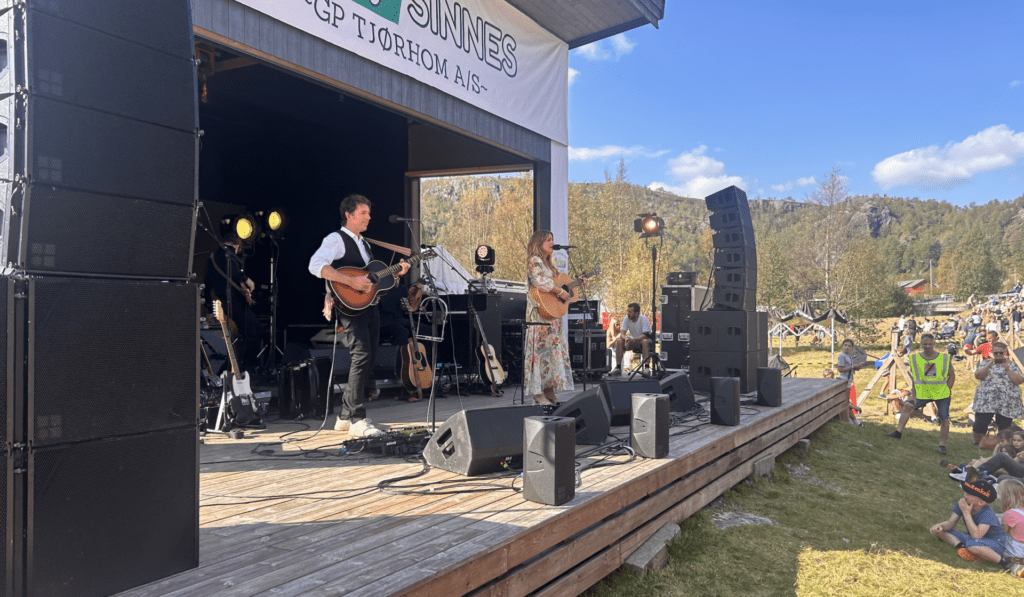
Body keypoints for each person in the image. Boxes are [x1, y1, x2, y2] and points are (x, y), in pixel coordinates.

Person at [308, 194, 409, 436]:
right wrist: (350, 281)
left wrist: (398, 275)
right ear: (349, 215)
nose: (369, 217)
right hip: (350, 307)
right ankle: (356, 418)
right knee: (361, 355)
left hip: (368, 306)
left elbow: (374, 283)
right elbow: (315, 265)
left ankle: (344, 416)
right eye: (363, 213)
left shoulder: (365, 244)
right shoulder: (336, 239)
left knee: (369, 357)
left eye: (368, 213)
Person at [523, 230, 574, 405]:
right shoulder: (534, 261)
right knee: (540, 352)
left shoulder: (551, 266)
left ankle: (549, 390)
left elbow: (561, 287)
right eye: (548, 240)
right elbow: (538, 280)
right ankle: (538, 394)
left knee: (552, 352)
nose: (552, 242)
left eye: (552, 239)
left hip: (552, 316)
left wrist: (575, 284)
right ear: (539, 244)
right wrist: (558, 290)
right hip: (539, 314)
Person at [888, 333, 956, 455]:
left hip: (941, 393)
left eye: (930, 344)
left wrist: (948, 389)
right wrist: (913, 395)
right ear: (921, 344)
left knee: (944, 417)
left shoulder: (944, 358)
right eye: (925, 344)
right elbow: (916, 379)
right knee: (908, 406)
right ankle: (898, 432)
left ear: (934, 344)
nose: (928, 346)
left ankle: (942, 445)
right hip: (923, 392)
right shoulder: (916, 359)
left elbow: (952, 375)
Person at [204, 237, 263, 377]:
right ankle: (244, 369)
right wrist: (246, 279)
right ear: (239, 244)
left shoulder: (215, 256)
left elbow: (208, 283)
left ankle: (240, 366)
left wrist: (208, 305)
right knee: (252, 334)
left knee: (254, 332)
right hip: (233, 302)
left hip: (228, 302)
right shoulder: (226, 253)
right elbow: (231, 271)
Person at [929, 476, 1006, 565]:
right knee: (941, 531)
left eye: (970, 493)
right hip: (974, 540)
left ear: (981, 503)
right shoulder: (963, 502)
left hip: (995, 544)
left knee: (972, 544)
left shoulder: (988, 513)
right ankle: (961, 546)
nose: (965, 493)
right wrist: (939, 526)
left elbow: (977, 535)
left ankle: (1002, 561)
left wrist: (966, 513)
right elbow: (950, 524)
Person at [971, 341, 1024, 446]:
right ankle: (978, 442)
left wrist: (1007, 369)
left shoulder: (1012, 365)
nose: (998, 355)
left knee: (1004, 426)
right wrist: (988, 366)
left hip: (1006, 401)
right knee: (980, 423)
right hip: (986, 400)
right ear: (992, 353)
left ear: (1005, 352)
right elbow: (978, 376)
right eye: (996, 353)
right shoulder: (985, 363)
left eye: (1001, 353)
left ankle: (1000, 444)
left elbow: (1019, 380)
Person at [609, 302, 653, 377]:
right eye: (627, 311)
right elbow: (622, 333)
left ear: (637, 313)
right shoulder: (626, 318)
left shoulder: (643, 319)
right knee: (619, 341)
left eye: (630, 312)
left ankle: (647, 368)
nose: (628, 314)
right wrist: (626, 339)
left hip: (645, 341)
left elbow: (645, 335)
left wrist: (633, 340)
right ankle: (618, 368)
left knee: (644, 341)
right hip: (633, 341)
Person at [998, 479, 1024, 576]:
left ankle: (1015, 566)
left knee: (994, 540)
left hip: (1014, 549)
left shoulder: (1010, 514)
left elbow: (1003, 532)